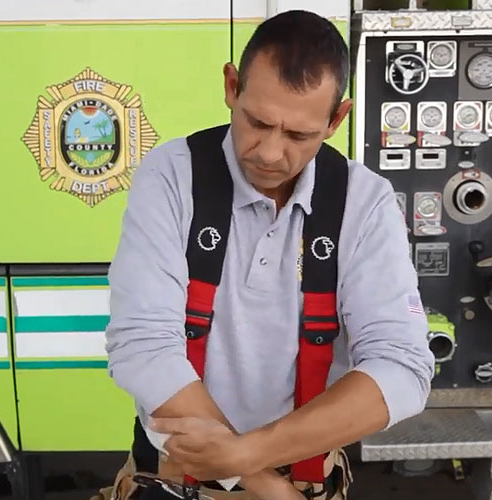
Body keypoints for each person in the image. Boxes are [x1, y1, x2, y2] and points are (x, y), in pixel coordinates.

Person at [97, 9, 435, 500]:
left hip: (306, 481)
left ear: (337, 119)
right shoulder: (172, 176)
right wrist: (262, 484)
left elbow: (402, 367)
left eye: (299, 135)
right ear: (232, 86)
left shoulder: (365, 203)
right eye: (257, 122)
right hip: (176, 483)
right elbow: (144, 347)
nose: (271, 153)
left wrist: (249, 453)